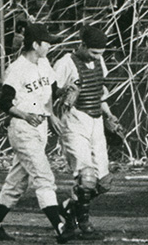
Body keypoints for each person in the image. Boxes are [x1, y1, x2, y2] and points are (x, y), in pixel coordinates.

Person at [0, 23, 73, 243]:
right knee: (43, 176)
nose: (50, 46)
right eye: (47, 42)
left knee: (17, 182)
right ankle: (60, 227)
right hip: (23, 128)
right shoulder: (17, 68)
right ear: (35, 44)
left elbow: (51, 91)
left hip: (39, 126)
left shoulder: (44, 63)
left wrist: (54, 110)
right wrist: (24, 115)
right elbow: (4, 102)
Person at [53, 24, 122, 239]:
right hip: (75, 119)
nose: (96, 57)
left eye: (100, 53)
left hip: (95, 120)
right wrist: (60, 101)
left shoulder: (98, 60)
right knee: (86, 176)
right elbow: (51, 91)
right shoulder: (66, 63)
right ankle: (82, 223)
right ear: (82, 45)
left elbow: (98, 91)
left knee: (103, 181)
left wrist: (109, 115)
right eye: (93, 52)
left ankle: (68, 207)